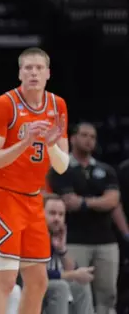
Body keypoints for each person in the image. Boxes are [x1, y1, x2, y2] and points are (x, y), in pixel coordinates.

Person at [0, 47, 69, 314]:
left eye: (39, 68)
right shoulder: (3, 105)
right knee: (5, 280)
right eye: (28, 68)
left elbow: (62, 167)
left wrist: (51, 145)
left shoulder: (58, 105)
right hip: (3, 197)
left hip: (33, 200)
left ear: (48, 73)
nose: (33, 72)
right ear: (20, 73)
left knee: (38, 281)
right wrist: (25, 141)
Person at [47, 122, 121, 314]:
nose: (89, 140)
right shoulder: (61, 168)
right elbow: (68, 201)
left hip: (106, 241)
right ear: (72, 138)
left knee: (108, 294)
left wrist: (84, 203)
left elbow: (113, 200)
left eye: (93, 137)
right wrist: (99, 201)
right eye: (84, 135)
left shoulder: (107, 170)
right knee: (76, 289)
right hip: (74, 240)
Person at [43, 194, 94, 314]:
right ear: (41, 213)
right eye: (52, 213)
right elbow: (39, 274)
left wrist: (62, 250)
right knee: (60, 286)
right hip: (30, 286)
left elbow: (71, 269)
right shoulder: (34, 236)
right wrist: (74, 274)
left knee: (80, 285)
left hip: (49, 284)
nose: (57, 218)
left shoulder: (56, 236)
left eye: (61, 214)